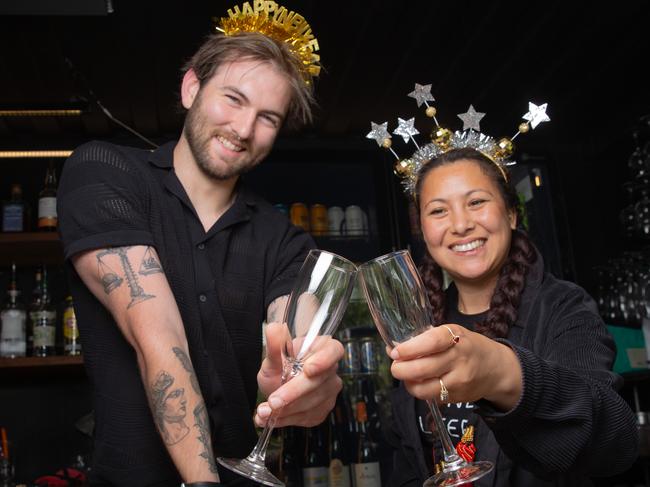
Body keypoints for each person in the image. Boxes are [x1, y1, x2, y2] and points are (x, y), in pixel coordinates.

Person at [56, 7, 343, 486]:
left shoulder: (283, 239)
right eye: (233, 99)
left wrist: (309, 374)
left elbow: (296, 319)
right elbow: (158, 336)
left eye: (267, 117)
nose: (244, 129)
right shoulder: (106, 173)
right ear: (192, 89)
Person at [386, 147, 639, 485]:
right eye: (438, 210)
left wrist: (502, 374)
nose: (460, 224)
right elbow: (406, 460)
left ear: (511, 214)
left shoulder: (564, 307)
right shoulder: (419, 325)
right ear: (422, 230)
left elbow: (613, 441)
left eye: (476, 202)